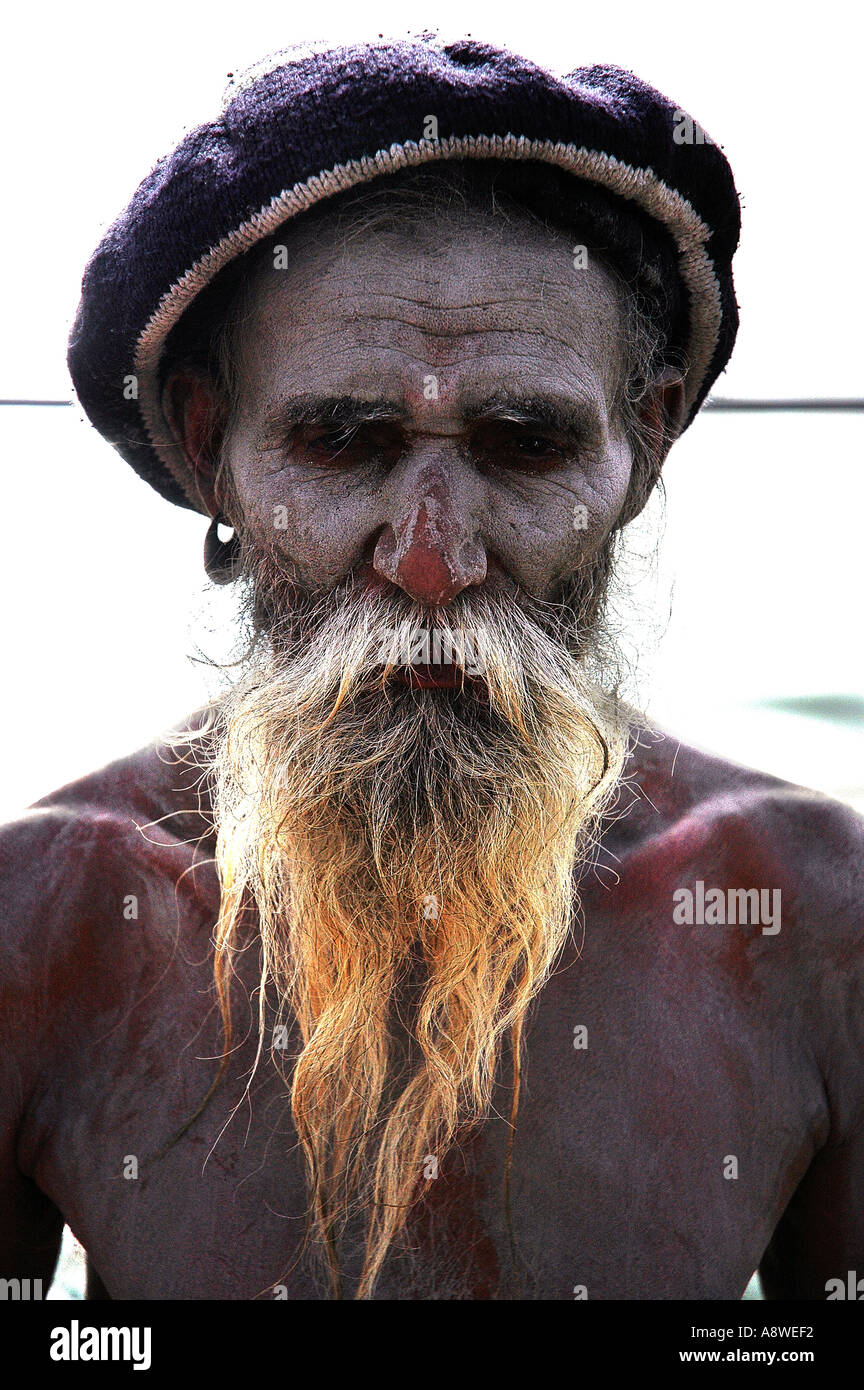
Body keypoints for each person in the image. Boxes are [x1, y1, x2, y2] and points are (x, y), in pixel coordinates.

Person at [2, 35, 861, 1301]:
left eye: (525, 443)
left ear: (645, 447)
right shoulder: (44, 923)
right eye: (344, 440)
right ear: (210, 449)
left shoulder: (812, 920)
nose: (430, 560)